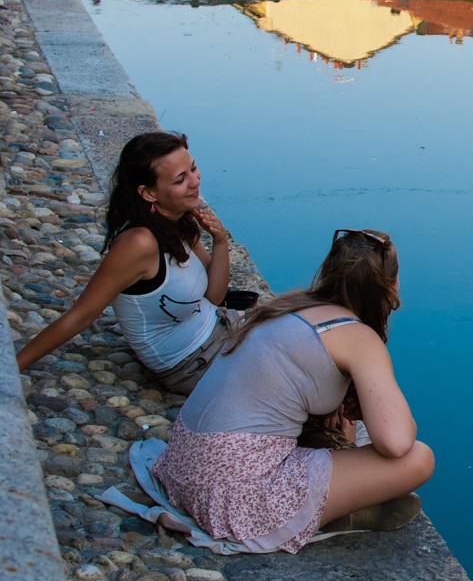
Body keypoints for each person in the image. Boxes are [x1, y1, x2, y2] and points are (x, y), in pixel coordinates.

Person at [149, 229, 435, 552]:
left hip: (185, 466)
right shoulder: (359, 338)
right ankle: (325, 514)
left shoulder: (290, 306)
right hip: (233, 496)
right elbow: (396, 443)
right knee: (419, 459)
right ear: (389, 287)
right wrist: (404, 420)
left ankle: (337, 500)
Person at [16, 131, 233, 394]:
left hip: (221, 329)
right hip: (191, 364)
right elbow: (79, 317)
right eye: (180, 179)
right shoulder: (138, 244)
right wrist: (11, 368)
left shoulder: (180, 220)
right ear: (149, 193)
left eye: (193, 168)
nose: (195, 181)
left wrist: (220, 242)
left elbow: (214, 296)